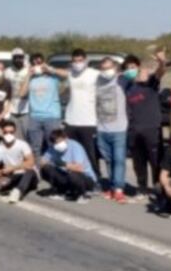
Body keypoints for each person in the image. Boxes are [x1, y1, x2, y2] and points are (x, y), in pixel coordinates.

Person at [123, 50, 167, 199]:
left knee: (156, 162)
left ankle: (158, 189)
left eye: (133, 67)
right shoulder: (128, 88)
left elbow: (161, 71)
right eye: (127, 68)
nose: (131, 70)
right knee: (138, 163)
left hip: (152, 130)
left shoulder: (151, 83)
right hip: (134, 131)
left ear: (140, 68)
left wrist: (161, 61)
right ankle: (142, 188)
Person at [61, 48, 102, 177]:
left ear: (86, 60)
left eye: (80, 60)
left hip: (89, 122)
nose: (78, 63)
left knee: (91, 153)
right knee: (72, 152)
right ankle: (75, 178)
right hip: (71, 121)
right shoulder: (71, 74)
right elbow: (59, 73)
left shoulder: (95, 74)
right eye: (75, 61)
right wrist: (47, 68)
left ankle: (95, 178)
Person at [95, 56, 130, 204]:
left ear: (115, 68)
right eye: (103, 68)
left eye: (109, 67)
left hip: (119, 129)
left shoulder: (122, 80)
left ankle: (119, 189)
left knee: (119, 160)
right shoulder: (97, 81)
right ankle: (112, 186)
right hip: (101, 129)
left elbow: (138, 76)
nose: (106, 71)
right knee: (109, 161)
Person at [19, 52, 63, 160]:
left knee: (54, 144)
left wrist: (50, 69)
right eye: (34, 63)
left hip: (52, 116)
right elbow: (22, 93)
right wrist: (28, 74)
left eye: (39, 62)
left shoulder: (53, 78)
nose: (37, 65)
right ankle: (37, 168)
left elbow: (68, 74)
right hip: (35, 117)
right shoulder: (31, 79)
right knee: (35, 147)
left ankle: (54, 167)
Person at [40, 129, 98, 203]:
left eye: (60, 141)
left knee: (73, 175)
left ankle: (82, 194)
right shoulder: (53, 148)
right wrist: (46, 162)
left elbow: (79, 168)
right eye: (55, 143)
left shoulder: (75, 146)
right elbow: (43, 161)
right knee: (46, 169)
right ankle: (61, 190)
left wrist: (63, 164)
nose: (58, 144)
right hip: (66, 175)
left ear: (66, 138)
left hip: (85, 178)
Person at [0, 120, 38, 204]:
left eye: (11, 132)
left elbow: (31, 162)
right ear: (2, 132)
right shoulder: (1, 147)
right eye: (6, 132)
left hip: (27, 175)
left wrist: (13, 168)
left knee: (30, 171)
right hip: (13, 175)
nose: (8, 135)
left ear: (15, 132)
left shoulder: (22, 144)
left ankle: (18, 192)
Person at [4, 48, 30, 142]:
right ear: (12, 58)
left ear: (23, 58)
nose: (18, 60)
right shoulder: (7, 71)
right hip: (12, 108)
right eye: (16, 57)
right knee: (13, 134)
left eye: (20, 57)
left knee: (26, 134)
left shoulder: (28, 70)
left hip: (26, 108)